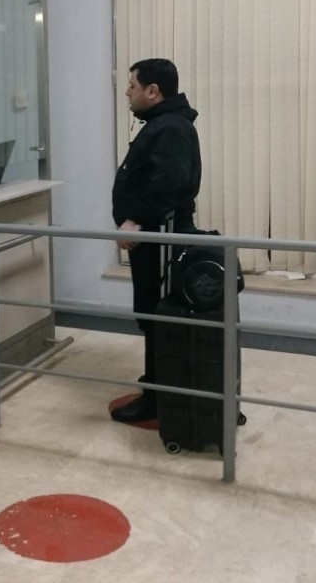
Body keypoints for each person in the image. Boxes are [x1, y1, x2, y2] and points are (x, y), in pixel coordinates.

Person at [109, 58, 202, 423]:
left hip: (161, 240)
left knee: (158, 315)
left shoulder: (170, 128)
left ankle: (159, 399)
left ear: (153, 91)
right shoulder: (163, 124)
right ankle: (156, 387)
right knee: (152, 315)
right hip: (154, 237)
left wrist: (136, 220)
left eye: (132, 86)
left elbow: (169, 184)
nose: (127, 93)